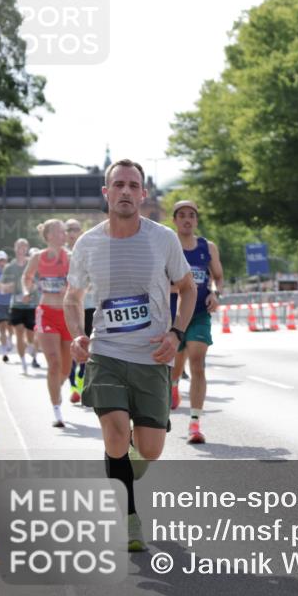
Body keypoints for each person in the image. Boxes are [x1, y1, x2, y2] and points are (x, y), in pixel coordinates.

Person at [64, 159, 196, 552]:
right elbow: (73, 297)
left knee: (150, 449)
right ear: (106, 193)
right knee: (117, 434)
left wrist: (176, 332)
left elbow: (187, 288)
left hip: (153, 355)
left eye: (133, 185)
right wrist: (77, 334)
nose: (125, 191)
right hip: (106, 352)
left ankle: (124, 461)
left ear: (143, 194)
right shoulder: (88, 243)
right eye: (118, 184)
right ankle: (128, 517)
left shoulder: (163, 239)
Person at [167, 200, 223, 445]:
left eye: (191, 215)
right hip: (173, 315)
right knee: (174, 365)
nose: (187, 219)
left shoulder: (207, 247)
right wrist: (177, 287)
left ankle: (195, 424)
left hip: (199, 313)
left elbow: (218, 277)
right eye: (182, 215)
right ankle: (173, 385)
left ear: (197, 220)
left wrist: (215, 293)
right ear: (174, 220)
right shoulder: (167, 246)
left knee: (197, 363)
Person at [21, 219, 73, 427]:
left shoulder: (71, 257)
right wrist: (27, 290)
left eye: (65, 232)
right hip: (46, 313)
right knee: (53, 362)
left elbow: (83, 282)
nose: (65, 235)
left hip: (67, 315)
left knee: (66, 369)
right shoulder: (38, 257)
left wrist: (71, 288)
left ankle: (56, 389)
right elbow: (27, 277)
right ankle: (57, 410)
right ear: (49, 235)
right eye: (61, 231)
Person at [64, 218, 95, 403]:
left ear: (81, 231)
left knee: (86, 345)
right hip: (68, 308)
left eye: (75, 229)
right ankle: (74, 387)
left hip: (89, 306)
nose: (72, 232)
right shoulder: (61, 255)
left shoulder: (88, 252)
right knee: (71, 348)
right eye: (69, 229)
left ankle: (82, 382)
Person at [0, 238, 41, 374]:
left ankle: (30, 345)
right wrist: (6, 287)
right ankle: (23, 363)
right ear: (15, 248)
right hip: (16, 305)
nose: (21, 249)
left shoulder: (32, 264)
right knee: (18, 332)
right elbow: (1, 284)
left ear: (27, 249)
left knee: (30, 335)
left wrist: (31, 288)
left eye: (24, 247)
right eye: (19, 246)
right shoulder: (9, 267)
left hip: (31, 305)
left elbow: (39, 282)